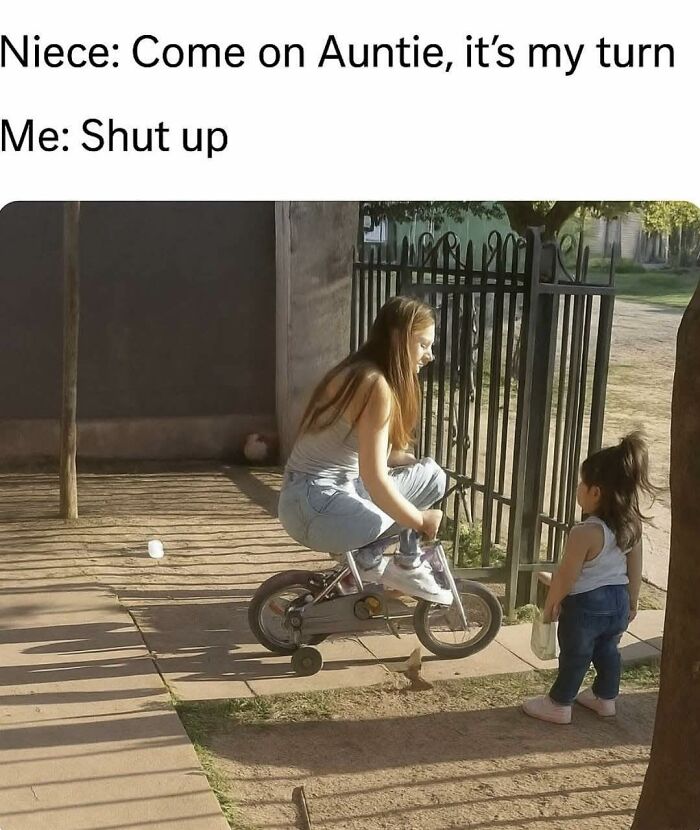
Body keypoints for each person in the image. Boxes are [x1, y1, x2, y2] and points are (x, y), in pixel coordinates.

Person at [277, 295, 452, 605]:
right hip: (313, 504)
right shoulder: (373, 385)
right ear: (399, 338)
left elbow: (374, 460)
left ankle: (386, 561)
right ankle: (392, 563)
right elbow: (374, 478)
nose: (430, 356)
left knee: (433, 476)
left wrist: (411, 468)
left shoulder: (366, 373)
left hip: (326, 494)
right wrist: (421, 520)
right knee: (387, 517)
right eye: (424, 345)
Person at [522, 431, 657, 724]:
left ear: (595, 492)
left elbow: (568, 576)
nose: (578, 488)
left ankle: (559, 704)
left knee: (577, 654)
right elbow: (635, 566)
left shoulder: (585, 533)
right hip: (619, 600)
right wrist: (632, 601)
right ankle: (605, 698)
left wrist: (551, 605)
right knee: (608, 649)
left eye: (582, 483)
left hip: (586, 606)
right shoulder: (631, 526)